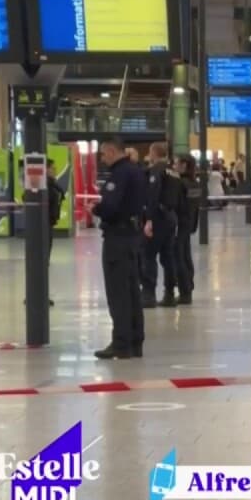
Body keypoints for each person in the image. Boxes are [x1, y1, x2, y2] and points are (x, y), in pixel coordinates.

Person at [91, 138, 145, 359]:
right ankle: (135, 341)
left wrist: (95, 208)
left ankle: (121, 343)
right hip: (133, 237)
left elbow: (111, 207)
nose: (103, 159)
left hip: (118, 239)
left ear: (112, 151)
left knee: (118, 293)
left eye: (104, 155)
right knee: (132, 292)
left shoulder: (120, 174)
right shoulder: (136, 171)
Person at [140, 142, 181, 308]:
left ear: (154, 153)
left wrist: (148, 219)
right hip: (171, 216)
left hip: (158, 217)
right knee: (168, 257)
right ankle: (170, 293)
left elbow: (153, 194)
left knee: (148, 255)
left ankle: (148, 294)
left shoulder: (156, 171)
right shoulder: (174, 172)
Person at [174, 155, 200, 305]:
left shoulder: (180, 184)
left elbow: (175, 203)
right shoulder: (194, 184)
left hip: (179, 223)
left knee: (179, 258)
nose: (175, 165)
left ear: (184, 165)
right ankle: (188, 287)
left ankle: (184, 291)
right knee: (186, 256)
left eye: (177, 163)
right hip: (188, 224)